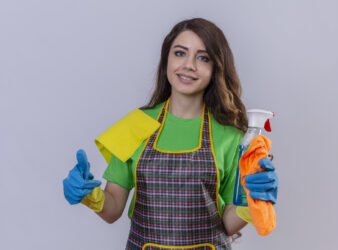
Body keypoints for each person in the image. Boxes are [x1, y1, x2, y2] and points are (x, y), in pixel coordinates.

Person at [63, 18, 278, 249]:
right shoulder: (135, 125)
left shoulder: (231, 136)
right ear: (166, 59)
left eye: (203, 58)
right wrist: (90, 196)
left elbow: (227, 223)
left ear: (216, 68)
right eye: (180, 53)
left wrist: (253, 202)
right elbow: (113, 209)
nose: (189, 65)